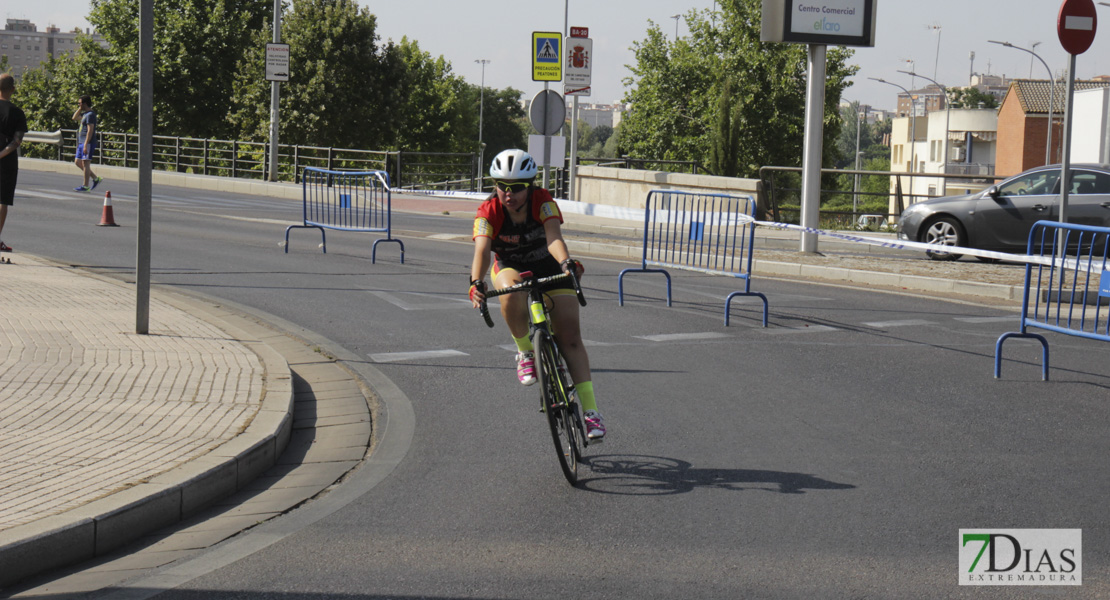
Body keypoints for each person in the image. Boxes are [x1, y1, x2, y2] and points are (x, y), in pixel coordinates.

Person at [468, 149, 606, 440]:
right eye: (502, 187)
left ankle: (592, 413)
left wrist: (567, 263)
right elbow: (481, 249)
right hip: (510, 266)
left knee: (570, 338)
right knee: (510, 292)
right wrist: (476, 282)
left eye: (517, 188)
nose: (509, 194)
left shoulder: (542, 201)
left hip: (548, 264)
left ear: (529, 185)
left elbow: (554, 236)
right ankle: (524, 350)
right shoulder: (488, 211)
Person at [0, 73, 27, 253]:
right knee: (3, 201)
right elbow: (17, 141)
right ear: (13, 89)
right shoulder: (17, 113)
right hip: (7, 162)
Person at [72, 94, 102, 192]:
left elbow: (90, 130)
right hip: (82, 142)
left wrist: (85, 144)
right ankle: (95, 178)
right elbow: (74, 118)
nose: (78, 105)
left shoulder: (90, 115)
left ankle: (85, 186)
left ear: (85, 103)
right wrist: (80, 109)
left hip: (87, 143)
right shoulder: (85, 114)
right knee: (77, 161)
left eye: (79, 103)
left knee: (86, 163)